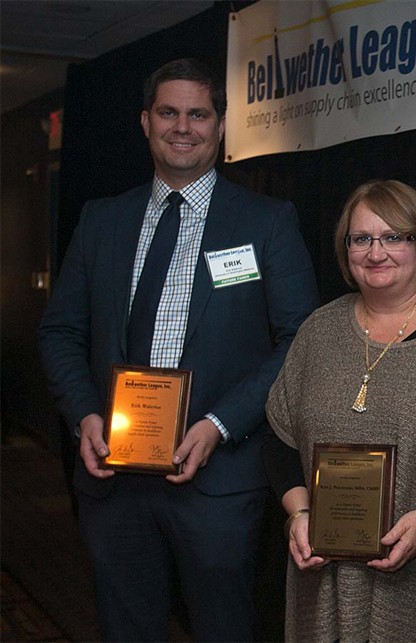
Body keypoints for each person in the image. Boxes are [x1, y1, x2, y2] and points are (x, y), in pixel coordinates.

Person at [36, 58, 319, 641]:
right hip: (111, 480)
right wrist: (84, 414)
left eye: (199, 114)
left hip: (216, 479)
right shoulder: (101, 221)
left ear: (220, 126)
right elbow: (61, 331)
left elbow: (301, 340)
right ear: (145, 121)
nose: (182, 126)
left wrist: (220, 423)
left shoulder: (266, 223)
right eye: (169, 112)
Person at [264, 179, 416, 641]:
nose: (375, 252)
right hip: (321, 578)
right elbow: (280, 438)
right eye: (361, 239)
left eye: (394, 237)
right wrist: (299, 514)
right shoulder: (318, 331)